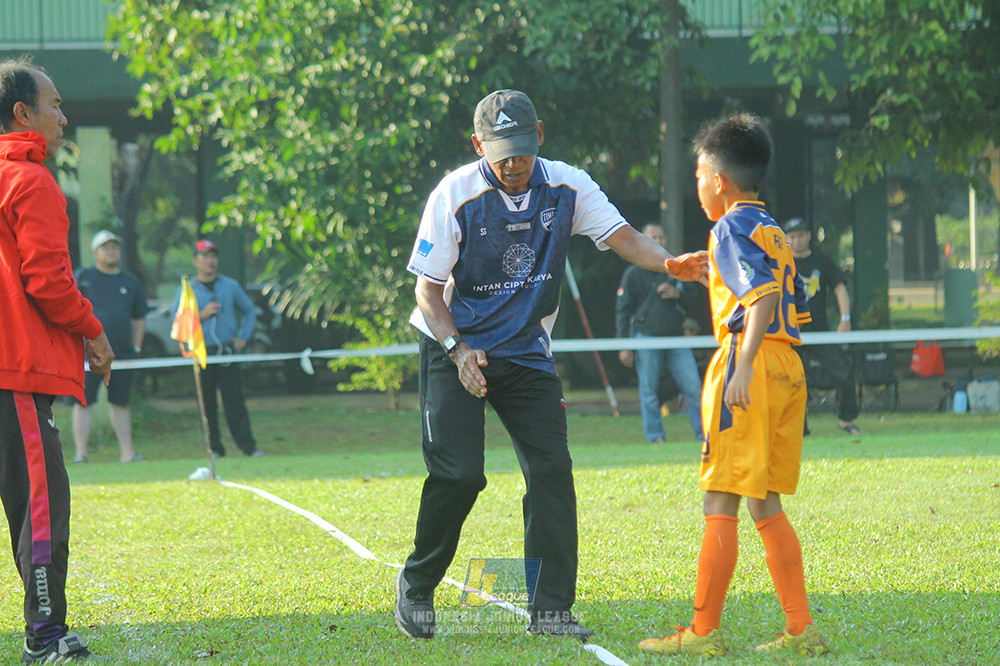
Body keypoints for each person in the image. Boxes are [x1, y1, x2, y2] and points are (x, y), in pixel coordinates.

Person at [396, 89, 708, 641]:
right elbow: (427, 290)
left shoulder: (567, 184)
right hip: (455, 347)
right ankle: (418, 586)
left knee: (551, 473)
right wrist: (457, 351)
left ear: (540, 135)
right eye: (501, 155)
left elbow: (623, 238)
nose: (514, 165)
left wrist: (672, 264)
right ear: (478, 147)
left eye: (522, 149)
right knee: (461, 475)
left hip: (524, 350)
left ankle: (551, 610)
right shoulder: (455, 194)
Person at [639, 113, 828, 657]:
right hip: (787, 364)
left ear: (717, 180)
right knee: (763, 502)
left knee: (719, 496)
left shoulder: (726, 227)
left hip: (751, 362)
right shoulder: (768, 229)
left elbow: (761, 296)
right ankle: (801, 630)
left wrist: (742, 365)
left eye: (699, 173)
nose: (697, 184)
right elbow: (782, 294)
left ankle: (702, 633)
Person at [0, 57, 114, 663]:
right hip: (14, 373)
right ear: (23, 114)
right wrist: (94, 333)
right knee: (39, 507)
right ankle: (45, 637)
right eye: (55, 106)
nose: (64, 119)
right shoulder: (30, 178)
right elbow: (47, 281)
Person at [170, 239, 264, 458]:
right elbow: (177, 321)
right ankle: (214, 449)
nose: (210, 261)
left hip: (227, 351)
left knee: (235, 401)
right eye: (205, 256)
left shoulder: (230, 285)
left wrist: (243, 337)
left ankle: (248, 448)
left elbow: (249, 311)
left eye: (213, 256)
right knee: (207, 404)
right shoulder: (188, 289)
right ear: (195, 261)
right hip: (201, 353)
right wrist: (201, 315)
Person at [616, 223, 704, 442]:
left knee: (693, 387)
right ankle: (655, 437)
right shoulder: (632, 274)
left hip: (676, 337)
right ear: (643, 240)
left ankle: (704, 435)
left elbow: (696, 299)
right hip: (646, 337)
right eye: (652, 237)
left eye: (661, 237)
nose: (658, 241)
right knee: (648, 391)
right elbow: (623, 311)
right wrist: (624, 344)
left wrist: (678, 294)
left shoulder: (677, 268)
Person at [71, 230, 149, 463]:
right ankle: (81, 454)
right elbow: (71, 312)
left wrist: (136, 347)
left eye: (114, 246)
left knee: (120, 402)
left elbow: (139, 317)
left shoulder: (130, 281)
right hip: (89, 354)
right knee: (84, 401)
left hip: (123, 354)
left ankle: (128, 454)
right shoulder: (83, 277)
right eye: (105, 247)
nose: (111, 251)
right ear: (95, 253)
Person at [784, 216, 862, 437]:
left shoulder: (823, 260)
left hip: (819, 332)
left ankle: (847, 420)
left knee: (845, 373)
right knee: (794, 382)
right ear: (786, 239)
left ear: (809, 236)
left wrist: (845, 319)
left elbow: (839, 288)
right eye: (792, 236)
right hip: (791, 333)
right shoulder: (780, 261)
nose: (797, 240)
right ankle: (799, 429)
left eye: (801, 235)